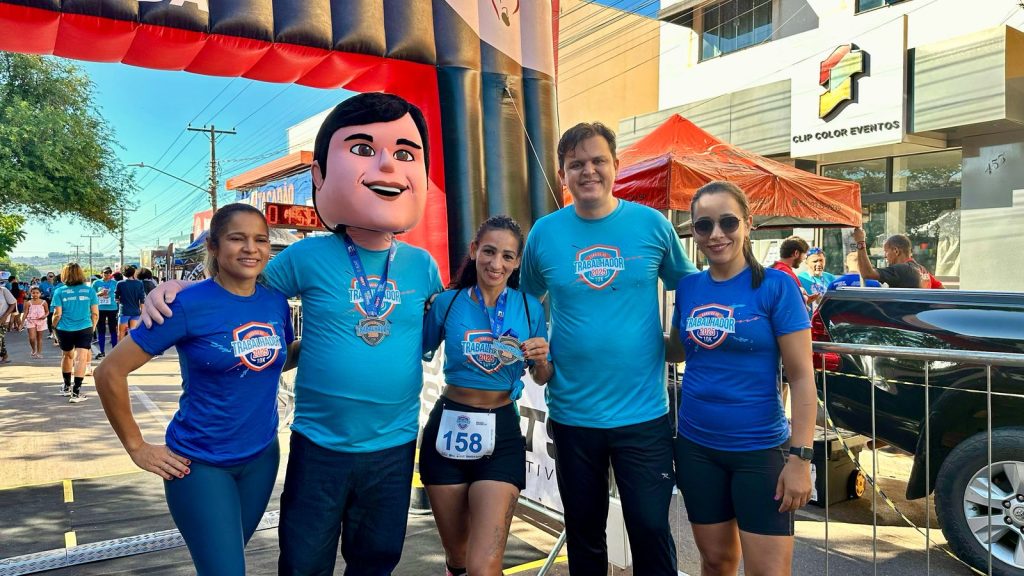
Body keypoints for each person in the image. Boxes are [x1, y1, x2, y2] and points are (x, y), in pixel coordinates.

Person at [142, 92, 443, 575]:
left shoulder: (423, 266)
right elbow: (238, 288)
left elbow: (431, 330)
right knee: (304, 562)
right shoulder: (307, 256)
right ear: (320, 175)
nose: (387, 167)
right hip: (319, 443)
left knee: (377, 560)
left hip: (394, 445)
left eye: (404, 154)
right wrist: (181, 288)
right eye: (364, 150)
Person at [519, 121, 697, 575]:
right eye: (576, 163)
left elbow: (692, 287)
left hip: (644, 415)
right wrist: (539, 358)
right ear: (562, 173)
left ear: (616, 165)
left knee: (650, 529)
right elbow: (526, 301)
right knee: (585, 534)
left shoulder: (651, 225)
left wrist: (678, 343)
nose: (588, 171)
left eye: (598, 160)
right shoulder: (544, 233)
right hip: (573, 414)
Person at [95, 204, 296, 576]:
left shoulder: (275, 302)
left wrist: (329, 340)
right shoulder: (185, 305)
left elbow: (270, 361)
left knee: (225, 562)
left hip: (262, 458)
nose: (251, 248)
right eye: (237, 238)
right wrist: (136, 446)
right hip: (200, 465)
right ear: (214, 247)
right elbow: (109, 372)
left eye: (260, 240)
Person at [666, 181, 815, 576]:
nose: (716, 234)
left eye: (728, 222)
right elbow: (677, 350)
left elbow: (802, 378)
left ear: (748, 224)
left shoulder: (777, 286)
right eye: (704, 225)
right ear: (694, 232)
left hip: (759, 451)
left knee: (768, 572)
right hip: (697, 449)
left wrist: (801, 458)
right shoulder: (689, 287)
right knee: (716, 563)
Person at [421, 216, 551, 576]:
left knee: (484, 565)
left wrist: (542, 360)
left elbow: (542, 376)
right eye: (489, 252)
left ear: (517, 262)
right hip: (447, 426)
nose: (497, 264)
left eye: (507, 256)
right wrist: (416, 308)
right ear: (474, 250)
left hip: (501, 431)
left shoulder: (529, 307)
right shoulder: (447, 303)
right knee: (459, 558)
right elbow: (411, 348)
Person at [52, 263, 99, 401]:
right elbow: (95, 313)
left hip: (64, 328)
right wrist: (92, 327)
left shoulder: (59, 291)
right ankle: (76, 392)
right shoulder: (89, 291)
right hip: (85, 327)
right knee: (81, 358)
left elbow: (57, 314)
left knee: (67, 356)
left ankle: (66, 387)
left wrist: (53, 327)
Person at [851, 229, 928, 288]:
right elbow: (936, 289)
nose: (885, 256)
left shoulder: (901, 269)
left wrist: (860, 242)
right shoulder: (921, 269)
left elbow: (867, 273)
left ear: (896, 251)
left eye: (886, 251)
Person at [771, 236, 818, 307]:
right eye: (805, 254)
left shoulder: (775, 268)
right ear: (796, 253)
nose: (804, 258)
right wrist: (804, 299)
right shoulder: (785, 273)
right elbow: (792, 302)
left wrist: (806, 300)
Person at [92, 267, 119, 358]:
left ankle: (114, 351)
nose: (107, 274)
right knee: (101, 329)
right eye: (105, 273)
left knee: (113, 329)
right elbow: (91, 295)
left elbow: (119, 294)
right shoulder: (96, 283)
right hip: (100, 308)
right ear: (101, 273)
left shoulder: (115, 283)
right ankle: (102, 351)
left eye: (109, 273)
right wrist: (99, 294)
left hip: (112, 308)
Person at [115, 266, 146, 341]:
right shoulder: (139, 283)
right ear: (133, 273)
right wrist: (143, 312)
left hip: (124, 311)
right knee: (133, 334)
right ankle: (131, 348)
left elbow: (116, 299)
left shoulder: (120, 283)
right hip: (135, 312)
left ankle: (121, 348)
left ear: (123, 274)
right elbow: (142, 300)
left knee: (121, 332)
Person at [24, 287, 49, 359]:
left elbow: (47, 311)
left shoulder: (44, 302)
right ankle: (33, 349)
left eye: (37, 293)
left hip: (41, 321)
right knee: (32, 338)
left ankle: (39, 353)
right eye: (33, 293)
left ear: (40, 294)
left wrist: (45, 316)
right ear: (31, 293)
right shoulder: (28, 303)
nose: (35, 294)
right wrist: (21, 323)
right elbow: (25, 313)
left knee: (39, 338)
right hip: (30, 321)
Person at [0, 282, 15, 364]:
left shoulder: (3, 290)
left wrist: (5, 316)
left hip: (2, 320)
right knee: (1, 339)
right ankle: (4, 356)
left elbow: (13, 304)